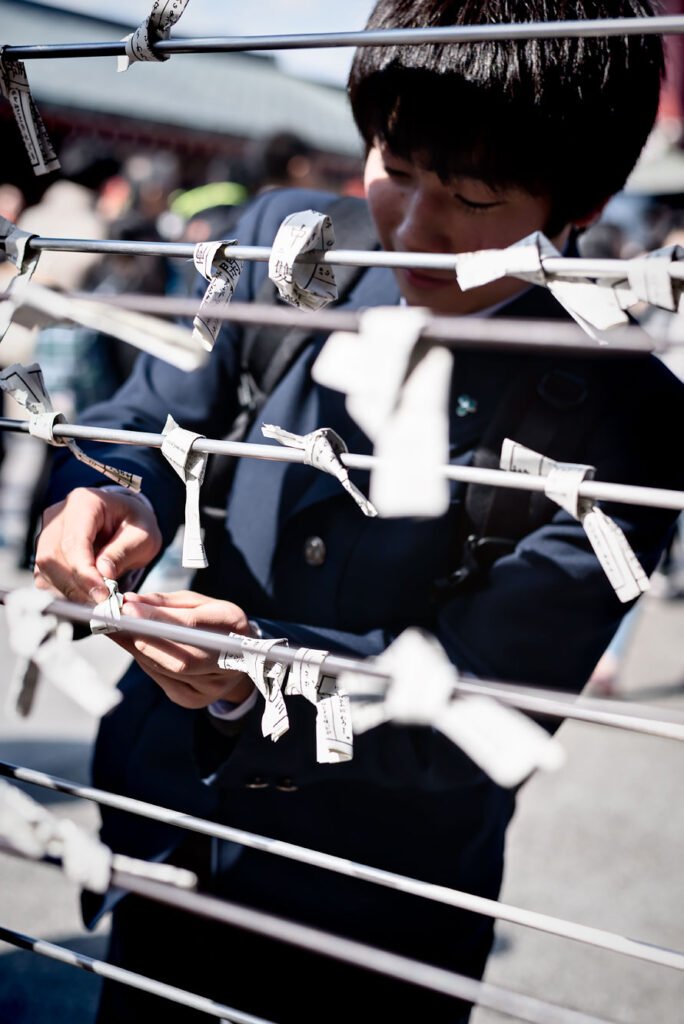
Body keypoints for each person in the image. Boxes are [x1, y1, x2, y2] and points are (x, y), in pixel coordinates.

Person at [33, 2, 684, 1022]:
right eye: (397, 165)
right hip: (167, 836)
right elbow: (147, 408)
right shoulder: (285, 245)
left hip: (378, 911)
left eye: (469, 195)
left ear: (582, 206)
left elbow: (483, 704)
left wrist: (260, 673)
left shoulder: (622, 415)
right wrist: (106, 491)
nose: (414, 228)